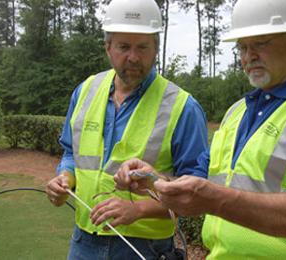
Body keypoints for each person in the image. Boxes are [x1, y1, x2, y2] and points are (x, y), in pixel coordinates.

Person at [115, 0, 286, 259]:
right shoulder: (237, 112)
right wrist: (154, 181)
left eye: (260, 43)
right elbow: (197, 185)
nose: (249, 56)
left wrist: (215, 200)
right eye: (242, 47)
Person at [45, 0, 208, 259]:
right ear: (108, 48)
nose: (133, 57)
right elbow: (70, 155)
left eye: (142, 47)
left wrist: (138, 210)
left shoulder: (183, 107)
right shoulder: (85, 90)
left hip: (145, 246)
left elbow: (196, 195)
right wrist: (66, 179)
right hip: (83, 241)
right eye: (123, 46)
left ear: (156, 48)